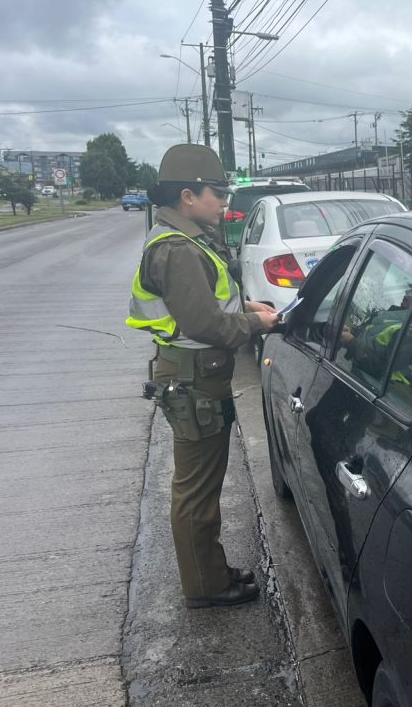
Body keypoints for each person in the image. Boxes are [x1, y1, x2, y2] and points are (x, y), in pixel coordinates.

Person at [126, 144, 279, 608]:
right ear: (188, 195)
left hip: (196, 374)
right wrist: (258, 323)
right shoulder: (176, 248)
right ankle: (205, 586)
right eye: (218, 192)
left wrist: (246, 305)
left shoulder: (185, 238)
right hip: (194, 378)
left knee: (204, 484)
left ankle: (208, 570)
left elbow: (208, 305)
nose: (224, 201)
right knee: (197, 490)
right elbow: (205, 324)